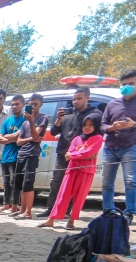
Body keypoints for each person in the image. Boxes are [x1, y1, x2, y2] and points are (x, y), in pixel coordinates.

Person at [99, 70, 136, 223]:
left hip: (131, 145)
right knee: (106, 181)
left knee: (130, 180)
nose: (127, 87)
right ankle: (108, 210)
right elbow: (102, 125)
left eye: (131, 84)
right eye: (124, 84)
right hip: (110, 146)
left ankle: (129, 212)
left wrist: (134, 124)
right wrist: (111, 128)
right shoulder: (112, 104)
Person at [39, 87, 103, 219]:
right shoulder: (68, 114)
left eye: (79, 98)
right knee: (56, 181)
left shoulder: (94, 115)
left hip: (80, 157)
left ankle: (67, 211)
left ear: (87, 98)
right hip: (63, 154)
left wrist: (92, 151)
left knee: (74, 186)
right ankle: (51, 209)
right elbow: (54, 132)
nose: (75, 101)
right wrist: (58, 119)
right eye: (74, 99)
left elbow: (98, 135)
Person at [42, 115, 104, 230]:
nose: (87, 127)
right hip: (72, 169)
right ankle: (51, 220)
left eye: (91, 124)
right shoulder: (77, 138)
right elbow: (70, 153)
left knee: (79, 196)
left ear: (96, 126)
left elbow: (86, 153)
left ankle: (71, 221)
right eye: (85, 124)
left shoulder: (98, 138)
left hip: (86, 171)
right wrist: (80, 155)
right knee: (63, 194)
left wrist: (74, 155)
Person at [13, 93, 47, 220]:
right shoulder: (24, 123)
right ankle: (22, 209)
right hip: (22, 153)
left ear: (41, 105)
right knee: (20, 183)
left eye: (35, 104)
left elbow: (35, 135)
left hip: (32, 154)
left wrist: (32, 122)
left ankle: (28, 212)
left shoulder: (42, 118)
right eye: (31, 104)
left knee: (28, 182)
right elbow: (19, 141)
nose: (32, 107)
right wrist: (32, 138)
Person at [0, 95, 25, 216]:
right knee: (6, 183)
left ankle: (14, 206)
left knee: (15, 182)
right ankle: (6, 205)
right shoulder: (7, 121)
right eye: (13, 104)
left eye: (17, 104)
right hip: (5, 157)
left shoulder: (25, 120)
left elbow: (18, 136)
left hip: (17, 156)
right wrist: (12, 137)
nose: (14, 106)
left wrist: (7, 137)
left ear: (23, 104)